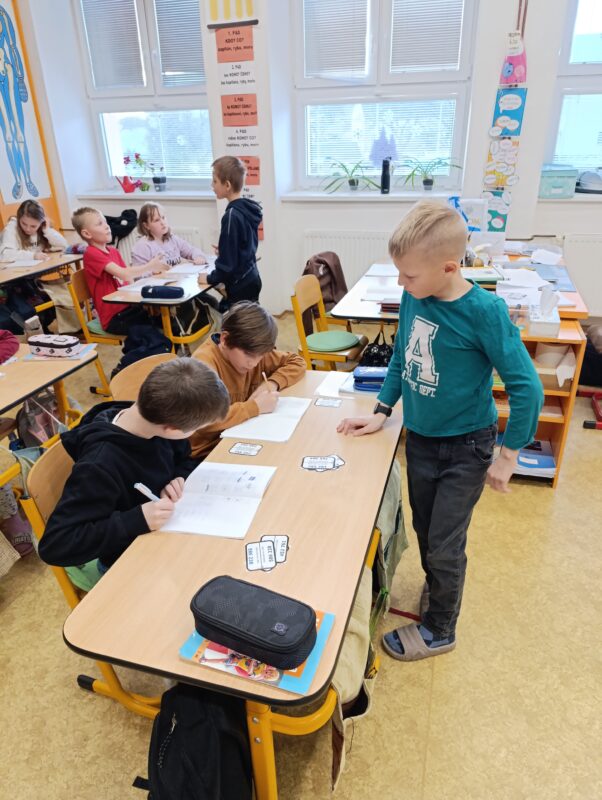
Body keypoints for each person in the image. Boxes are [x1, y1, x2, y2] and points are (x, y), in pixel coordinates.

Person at [338, 200, 544, 661]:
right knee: (427, 531)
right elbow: (402, 357)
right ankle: (438, 588)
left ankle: (441, 628)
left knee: (446, 545)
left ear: (449, 267)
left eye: (409, 275)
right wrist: (382, 410)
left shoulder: (485, 311)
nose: (401, 283)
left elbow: (527, 387)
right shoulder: (416, 296)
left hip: (466, 446)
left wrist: (509, 455)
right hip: (422, 440)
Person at [38, 358, 230, 591]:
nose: (193, 434)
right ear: (171, 429)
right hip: (127, 559)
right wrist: (136, 519)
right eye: (195, 429)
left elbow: (185, 459)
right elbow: (56, 545)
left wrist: (179, 476)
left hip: (162, 539)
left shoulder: (152, 417)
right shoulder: (99, 466)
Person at [189, 301, 305, 459]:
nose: (254, 364)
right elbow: (205, 420)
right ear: (225, 339)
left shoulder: (253, 350)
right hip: (208, 451)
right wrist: (254, 407)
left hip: (242, 433)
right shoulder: (203, 365)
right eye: (249, 355)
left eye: (261, 356)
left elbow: (297, 362)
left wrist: (272, 383)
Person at [71, 206, 167, 335]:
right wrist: (150, 266)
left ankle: (174, 345)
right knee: (153, 331)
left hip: (129, 308)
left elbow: (129, 279)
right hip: (114, 318)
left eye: (105, 222)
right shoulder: (91, 253)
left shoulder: (113, 251)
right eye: (100, 224)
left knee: (166, 320)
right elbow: (124, 274)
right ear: (87, 234)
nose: (107, 226)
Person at [198, 156, 262, 309]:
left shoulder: (231, 216)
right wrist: (225, 250)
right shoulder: (246, 209)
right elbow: (243, 246)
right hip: (251, 277)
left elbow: (227, 266)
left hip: (239, 284)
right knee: (249, 319)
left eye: (214, 181)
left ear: (227, 185)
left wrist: (209, 278)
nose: (212, 185)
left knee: (232, 321)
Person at [131, 202, 208, 268]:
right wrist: (153, 271)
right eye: (157, 220)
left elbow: (191, 250)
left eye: (163, 217)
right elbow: (137, 275)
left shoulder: (172, 239)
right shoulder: (142, 246)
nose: (163, 222)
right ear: (146, 225)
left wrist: (199, 257)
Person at [0, 199, 67, 261]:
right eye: (24, 223)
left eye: (33, 226)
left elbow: (64, 246)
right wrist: (33, 256)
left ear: (41, 223)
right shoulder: (12, 226)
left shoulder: (43, 228)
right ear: (19, 218)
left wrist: (47, 230)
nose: (28, 229)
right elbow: (5, 255)